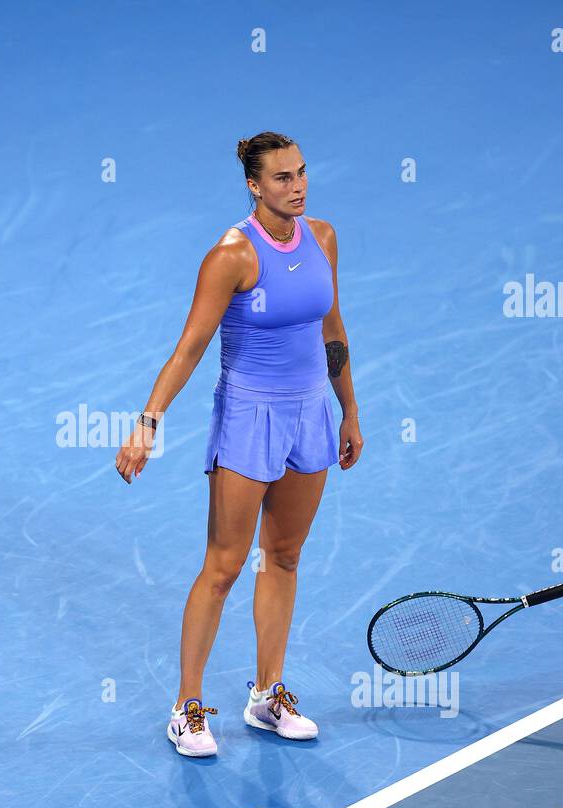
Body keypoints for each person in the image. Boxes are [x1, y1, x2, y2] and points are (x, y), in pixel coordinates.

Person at [114, 131, 363, 758]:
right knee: (224, 566)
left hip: (310, 413)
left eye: (302, 172)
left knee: (283, 557)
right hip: (250, 416)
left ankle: (267, 695)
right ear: (254, 185)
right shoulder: (231, 255)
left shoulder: (324, 238)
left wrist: (349, 410)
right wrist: (148, 423)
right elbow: (191, 347)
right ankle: (187, 709)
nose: (297, 186)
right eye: (282, 178)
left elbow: (332, 331)